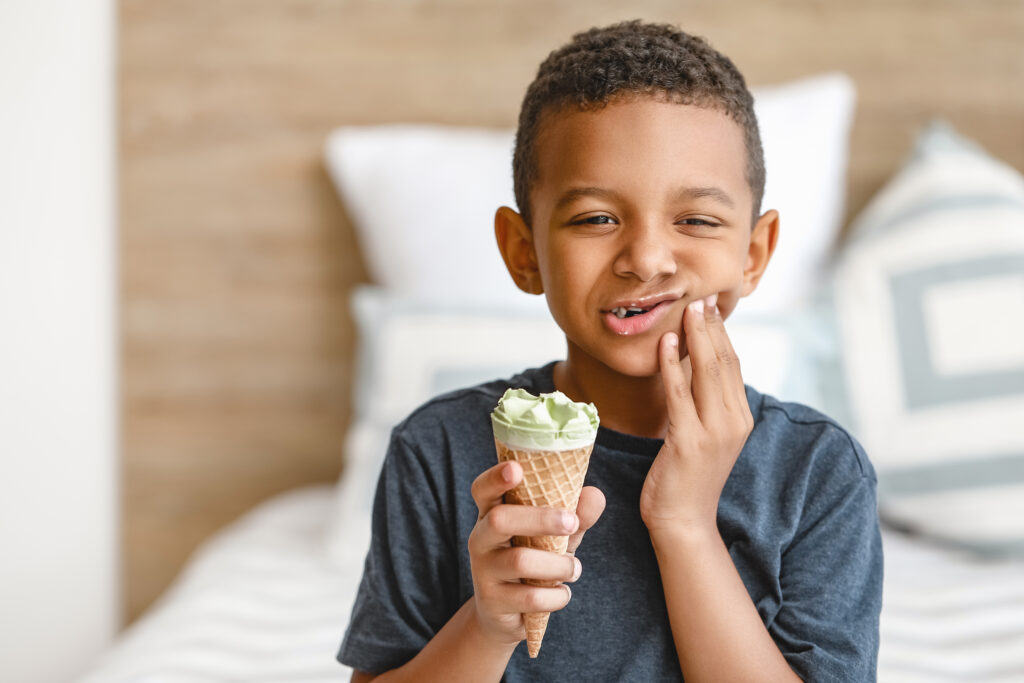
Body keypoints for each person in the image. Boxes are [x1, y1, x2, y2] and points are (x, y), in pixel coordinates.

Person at [338, 20, 882, 682]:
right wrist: (487, 625)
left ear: (753, 254)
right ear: (523, 251)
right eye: (597, 218)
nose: (647, 258)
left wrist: (684, 522)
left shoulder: (817, 473)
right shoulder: (440, 449)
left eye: (696, 220)